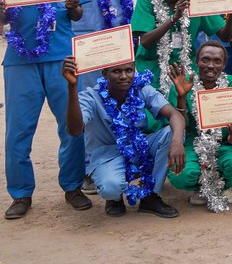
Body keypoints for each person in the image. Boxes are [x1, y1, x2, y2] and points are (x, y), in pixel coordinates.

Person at [1, 0, 92, 219]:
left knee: (71, 126)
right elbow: (2, 20)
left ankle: (72, 187)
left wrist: (75, 5)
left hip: (61, 57)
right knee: (18, 131)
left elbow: (78, 16)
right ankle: (21, 194)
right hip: (20, 59)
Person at [62, 56, 185, 218]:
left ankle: (151, 197)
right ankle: (115, 198)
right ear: (104, 74)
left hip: (138, 148)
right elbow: (75, 130)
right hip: (107, 156)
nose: (124, 76)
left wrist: (177, 141)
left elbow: (174, 114)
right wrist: (72, 87)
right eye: (116, 71)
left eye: (129, 70)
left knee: (172, 133)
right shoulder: (90, 96)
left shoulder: (141, 89)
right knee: (110, 188)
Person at [165, 41, 232, 211]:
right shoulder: (183, 84)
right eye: (205, 60)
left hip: (225, 143)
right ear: (196, 62)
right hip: (193, 142)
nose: (211, 66)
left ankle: (223, 185)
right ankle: (200, 188)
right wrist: (182, 97)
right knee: (180, 173)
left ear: (224, 65)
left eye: (217, 61)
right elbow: (181, 125)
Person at [131, 0, 232, 93]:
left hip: (187, 69)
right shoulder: (146, 0)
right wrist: (174, 18)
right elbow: (145, 41)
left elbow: (225, 35)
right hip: (152, 70)